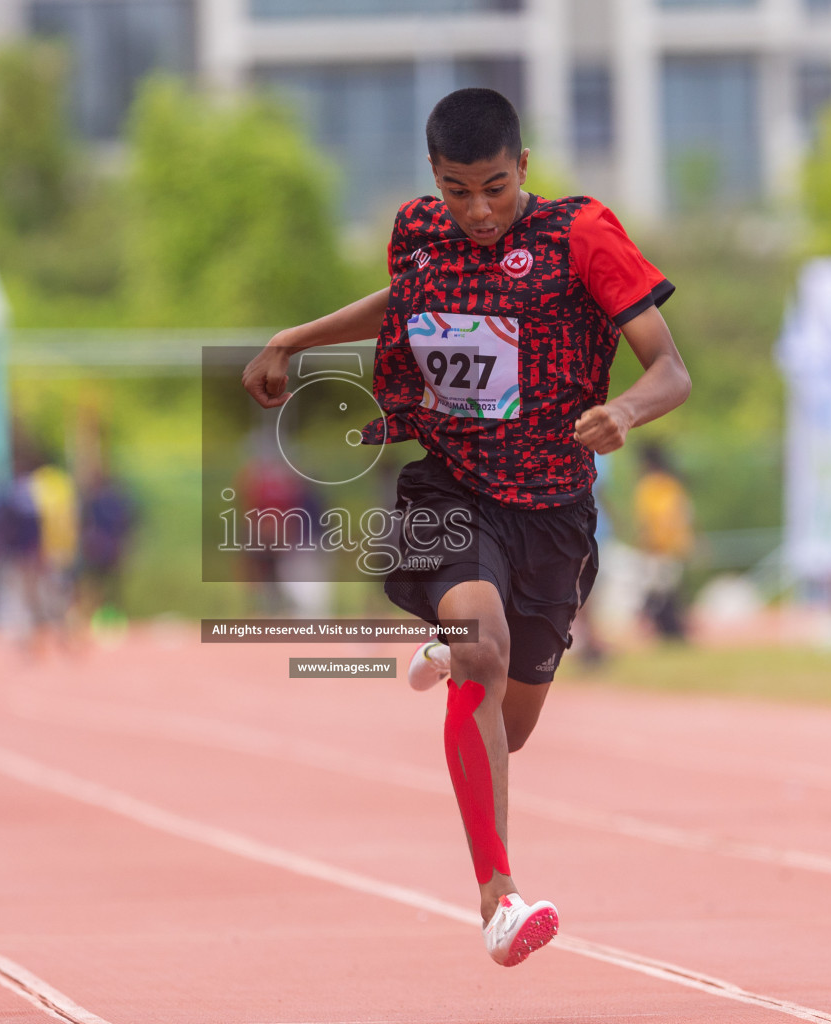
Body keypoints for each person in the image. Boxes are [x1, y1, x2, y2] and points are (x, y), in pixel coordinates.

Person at [242, 88, 690, 967]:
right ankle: (499, 896)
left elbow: (670, 368)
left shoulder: (582, 237)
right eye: (456, 190)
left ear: (524, 168)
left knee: (509, 731)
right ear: (433, 180)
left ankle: (458, 650)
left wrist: (628, 413)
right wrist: (294, 338)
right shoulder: (420, 232)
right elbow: (403, 299)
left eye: (492, 187)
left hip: (553, 509)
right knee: (481, 648)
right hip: (446, 483)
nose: (476, 211)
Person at [633, 443, 694, 641]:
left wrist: (647, 542)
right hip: (673, 544)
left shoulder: (649, 485)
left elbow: (648, 518)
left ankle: (667, 628)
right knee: (667, 589)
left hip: (658, 546)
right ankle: (670, 628)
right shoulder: (671, 484)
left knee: (659, 591)